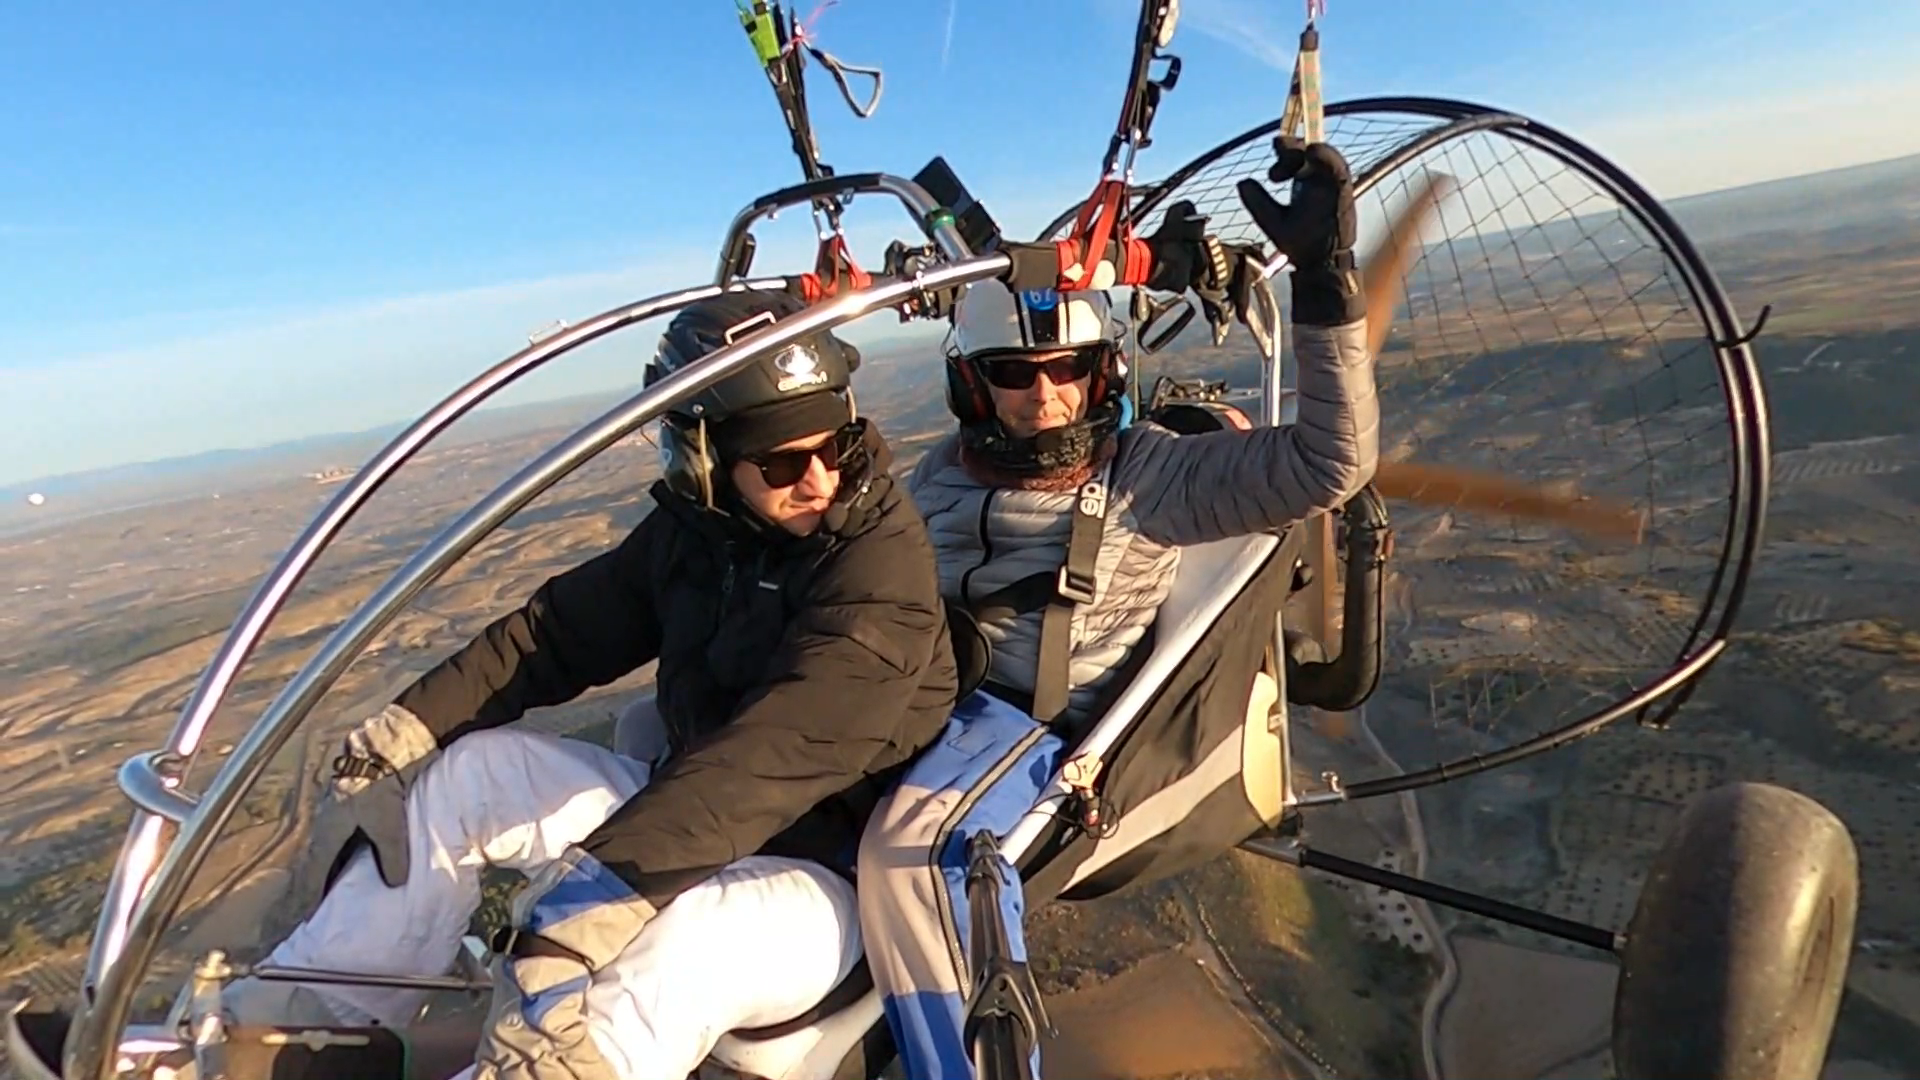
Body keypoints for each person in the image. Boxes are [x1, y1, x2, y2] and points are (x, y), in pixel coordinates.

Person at [222, 286, 960, 1080]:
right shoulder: (706, 536)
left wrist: (582, 910)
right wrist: (412, 727)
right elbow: (556, 636)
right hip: (693, 825)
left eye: (838, 449)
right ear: (707, 460)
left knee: (682, 941)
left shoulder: (879, 576)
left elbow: (766, 761)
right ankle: (298, 1036)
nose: (818, 480)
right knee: (473, 774)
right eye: (781, 461)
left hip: (825, 879)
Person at [855, 138, 1379, 1079]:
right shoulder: (930, 476)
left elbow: (1327, 465)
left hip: (1032, 741)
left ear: (1103, 374)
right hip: (909, 703)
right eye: (1016, 374)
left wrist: (1326, 281)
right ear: (974, 383)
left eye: (1069, 369)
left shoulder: (1149, 479)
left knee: (912, 858)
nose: (1047, 396)